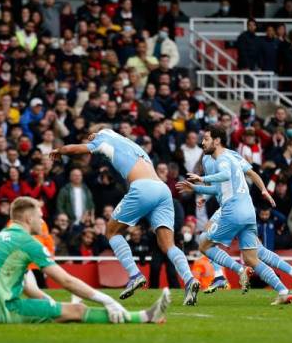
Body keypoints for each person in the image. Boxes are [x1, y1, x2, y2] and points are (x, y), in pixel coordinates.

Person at [50, 127, 200, 304]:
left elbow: (74, 149)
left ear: (103, 132)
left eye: (94, 133)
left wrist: (59, 151)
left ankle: (134, 274)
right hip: (162, 190)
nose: (91, 137)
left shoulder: (104, 140)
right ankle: (190, 280)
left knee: (112, 232)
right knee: (168, 244)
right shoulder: (133, 146)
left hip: (143, 188)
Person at [0, 197, 170, 324]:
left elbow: (26, 285)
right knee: (77, 309)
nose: (42, 221)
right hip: (0, 311)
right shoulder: (27, 242)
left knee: (58, 312)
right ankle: (144, 317)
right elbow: (66, 281)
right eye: (40, 217)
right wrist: (107, 300)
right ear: (29, 219)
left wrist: (50, 305)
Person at [178, 140, 292, 296]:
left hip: (231, 208)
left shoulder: (223, 158)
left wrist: (263, 190)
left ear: (216, 141)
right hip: (246, 208)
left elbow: (240, 176)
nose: (203, 142)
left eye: (206, 139)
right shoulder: (223, 157)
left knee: (205, 240)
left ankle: (225, 274)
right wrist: (204, 196)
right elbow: (224, 185)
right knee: (255, 253)